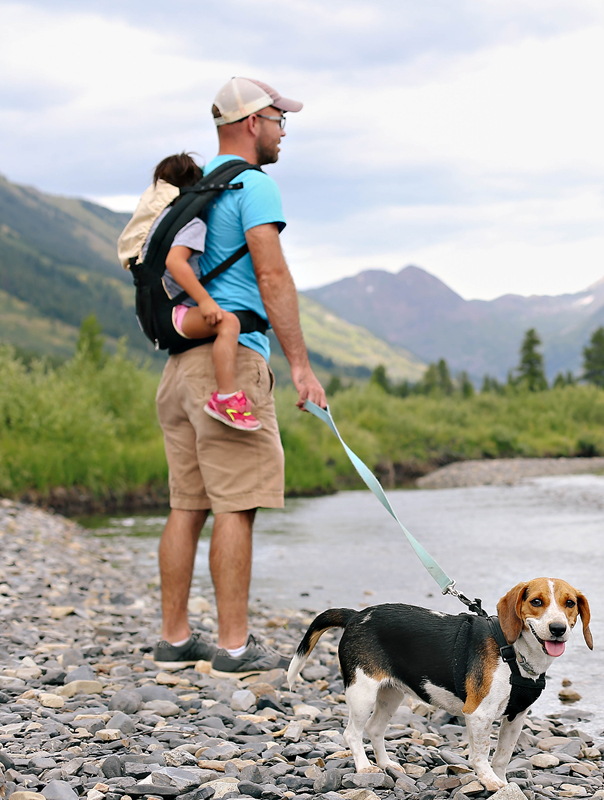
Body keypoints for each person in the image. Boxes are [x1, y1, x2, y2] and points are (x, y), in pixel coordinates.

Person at [152, 77, 326, 678]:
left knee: (186, 506)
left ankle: (175, 640)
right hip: (231, 364)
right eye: (279, 120)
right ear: (252, 122)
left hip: (179, 367)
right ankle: (233, 648)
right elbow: (272, 277)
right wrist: (299, 366)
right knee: (237, 504)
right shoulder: (253, 186)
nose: (283, 131)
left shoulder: (196, 190)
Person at [142, 152, 261, 432]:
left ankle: (225, 397)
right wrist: (205, 301)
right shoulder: (191, 224)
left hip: (157, 313)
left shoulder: (157, 222)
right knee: (228, 323)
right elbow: (175, 262)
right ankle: (225, 398)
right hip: (176, 312)